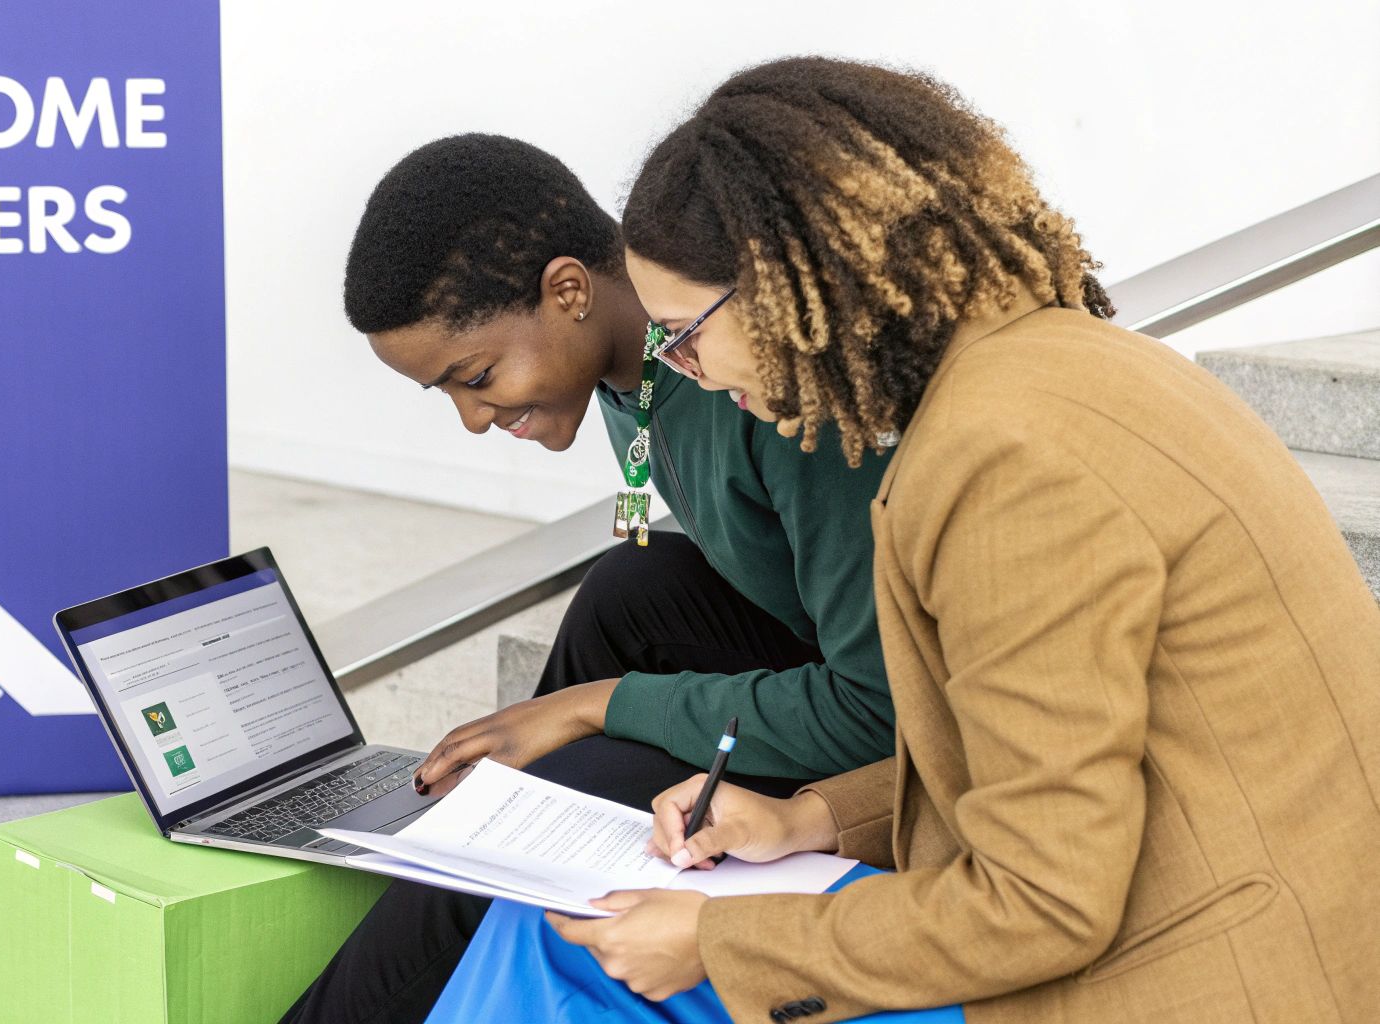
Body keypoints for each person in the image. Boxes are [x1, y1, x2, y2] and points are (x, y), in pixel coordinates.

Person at [519, 57, 1380, 1023]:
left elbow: (1044, 901)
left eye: (684, 334)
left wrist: (719, 942)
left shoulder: (1001, 462)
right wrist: (811, 818)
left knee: (559, 959)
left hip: (1214, 978)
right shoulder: (1070, 368)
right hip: (1248, 909)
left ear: (793, 284)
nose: (688, 372)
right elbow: (1055, 764)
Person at [279, 134, 896, 1023]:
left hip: (915, 742)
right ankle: (488, 847)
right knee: (633, 583)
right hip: (827, 656)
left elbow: (882, 709)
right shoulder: (631, 375)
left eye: (479, 376)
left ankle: (491, 866)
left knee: (585, 772)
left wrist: (593, 707)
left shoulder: (769, 388)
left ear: (568, 292)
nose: (473, 419)